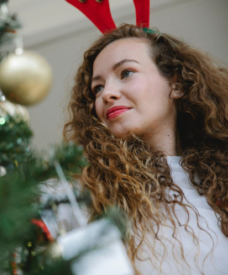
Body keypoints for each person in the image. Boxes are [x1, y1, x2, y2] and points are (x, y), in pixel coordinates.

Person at [63, 24, 228, 274]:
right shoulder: (78, 193)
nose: (107, 93)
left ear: (176, 85)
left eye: (126, 72)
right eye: (97, 88)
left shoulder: (220, 183)